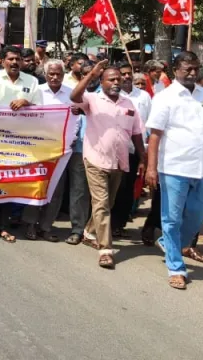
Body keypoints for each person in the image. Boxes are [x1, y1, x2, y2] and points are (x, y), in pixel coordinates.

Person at [145, 51, 203, 290]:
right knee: (171, 219)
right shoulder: (165, 97)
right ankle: (176, 268)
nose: (192, 73)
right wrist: (151, 168)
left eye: (195, 68)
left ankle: (168, 243)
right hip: (174, 166)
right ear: (176, 70)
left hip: (202, 167)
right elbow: (155, 134)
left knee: (198, 215)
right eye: (187, 68)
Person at [71, 61, 145, 269]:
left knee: (108, 202)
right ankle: (105, 249)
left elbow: (137, 133)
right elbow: (74, 97)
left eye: (118, 79)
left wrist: (143, 159)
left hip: (119, 161)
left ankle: (89, 231)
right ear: (101, 82)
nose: (115, 82)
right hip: (95, 158)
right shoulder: (92, 99)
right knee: (102, 203)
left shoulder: (129, 104)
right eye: (110, 79)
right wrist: (91, 74)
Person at [0, 46, 42, 244]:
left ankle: (4, 226)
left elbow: (41, 109)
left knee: (10, 183)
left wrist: (26, 102)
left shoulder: (31, 81)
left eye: (18, 60)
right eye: (11, 59)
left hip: (19, 140)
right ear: (3, 61)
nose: (14, 63)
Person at [22, 59, 80, 243]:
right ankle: (30, 224)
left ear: (64, 74)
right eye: (51, 74)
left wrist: (70, 139)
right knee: (37, 186)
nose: (55, 77)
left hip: (62, 149)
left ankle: (45, 227)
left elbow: (76, 119)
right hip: (38, 148)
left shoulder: (72, 93)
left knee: (56, 189)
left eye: (58, 74)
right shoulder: (36, 92)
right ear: (45, 74)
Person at [111, 61, 151, 238]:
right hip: (111, 149)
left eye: (129, 73)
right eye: (123, 74)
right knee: (111, 188)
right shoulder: (107, 95)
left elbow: (148, 124)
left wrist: (145, 153)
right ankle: (103, 224)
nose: (126, 77)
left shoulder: (144, 96)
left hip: (134, 150)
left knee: (127, 189)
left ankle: (119, 224)